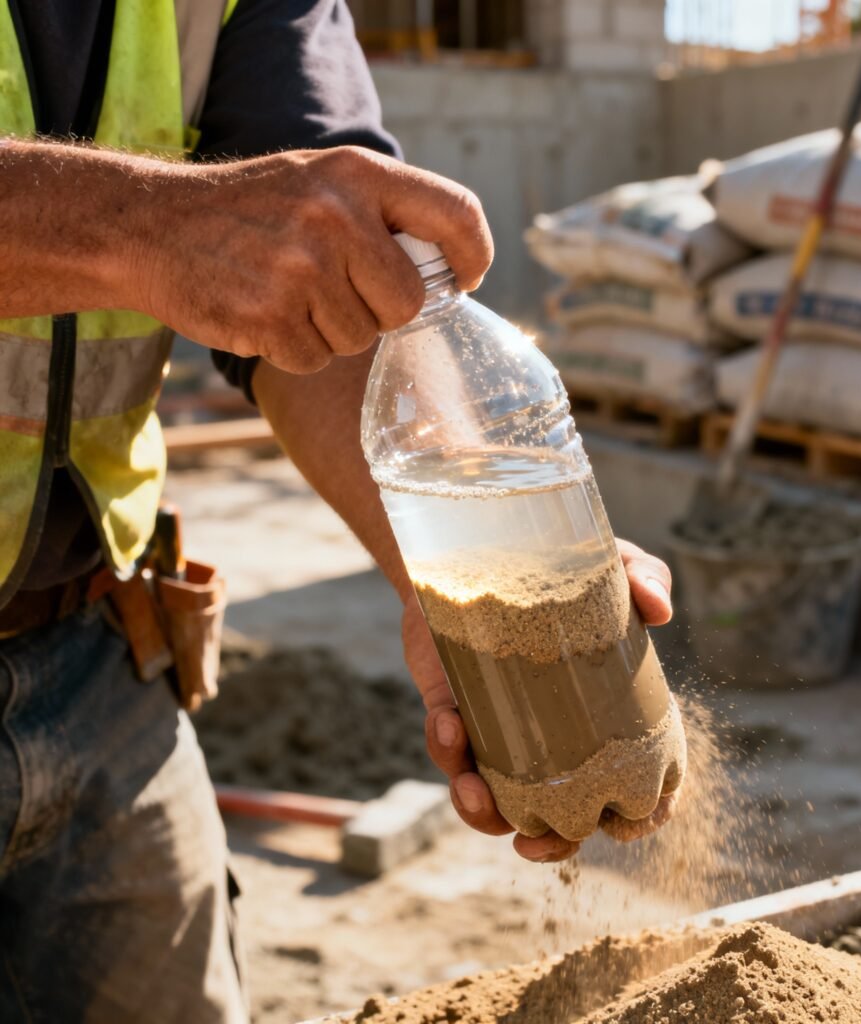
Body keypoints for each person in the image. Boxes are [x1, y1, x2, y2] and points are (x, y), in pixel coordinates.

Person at [0, 2, 676, 1021]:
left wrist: (461, 584)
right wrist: (146, 223)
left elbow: (326, 295)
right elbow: (208, 231)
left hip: (100, 659)